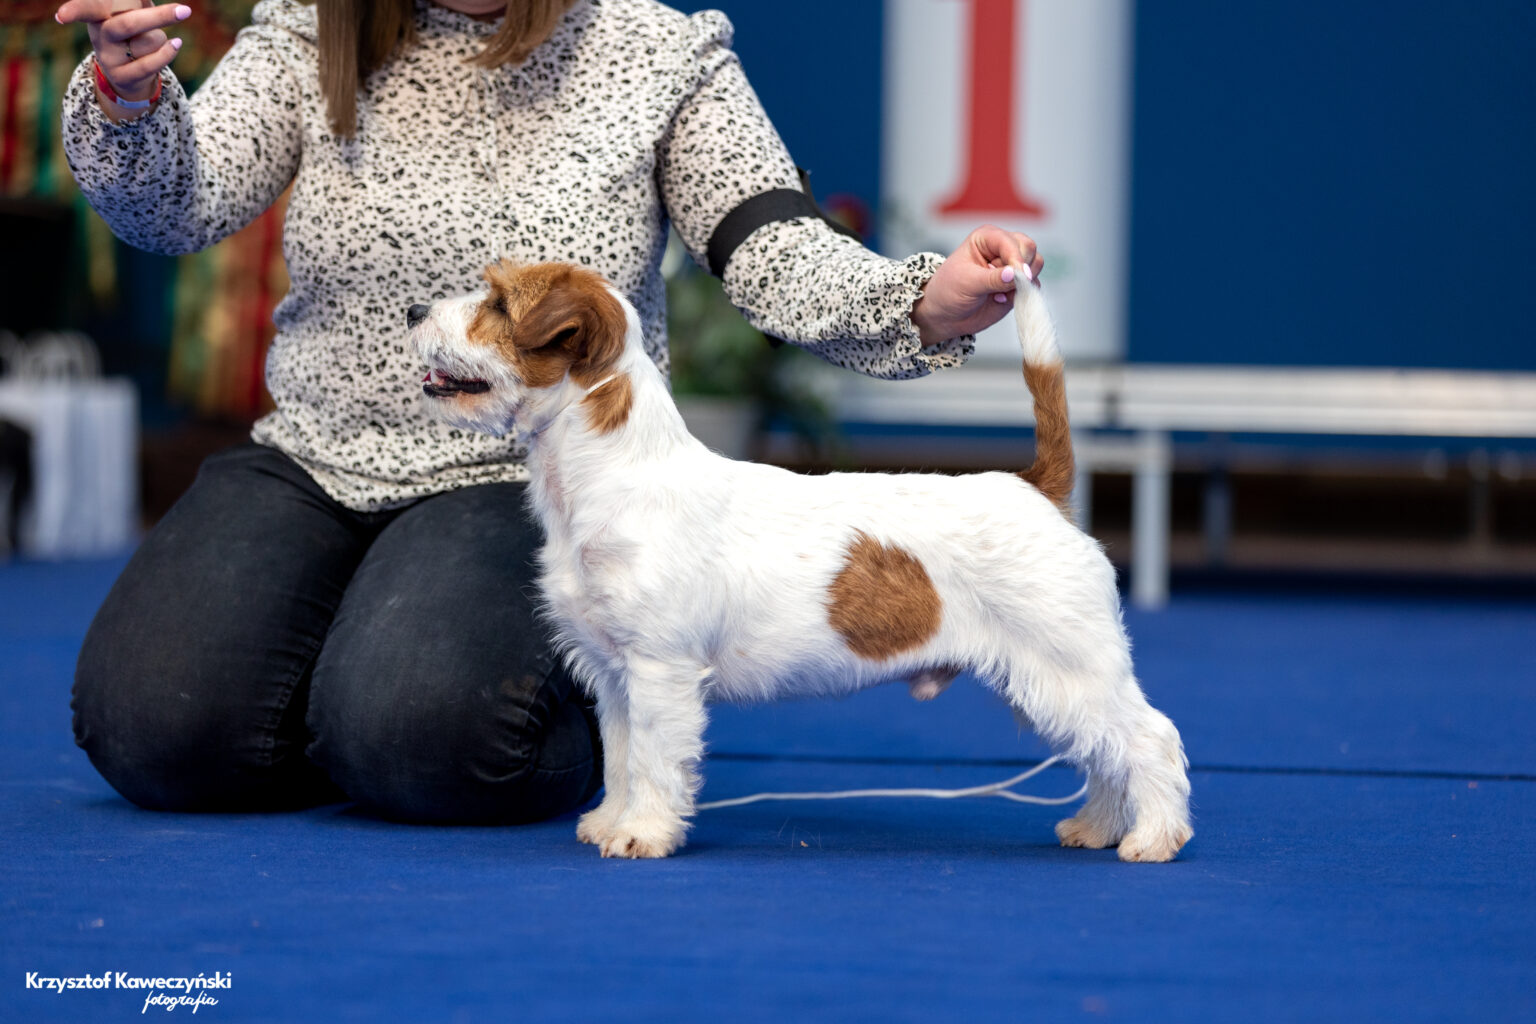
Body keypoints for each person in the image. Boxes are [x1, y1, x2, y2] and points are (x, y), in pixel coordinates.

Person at [56, 0, 1045, 825]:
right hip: (317, 453)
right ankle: (350, 705)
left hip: (527, 480)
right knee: (153, 729)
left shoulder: (657, 50)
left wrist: (918, 300)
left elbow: (772, 242)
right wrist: (130, 104)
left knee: (427, 735)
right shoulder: (309, 34)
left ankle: (543, 722)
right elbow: (175, 208)